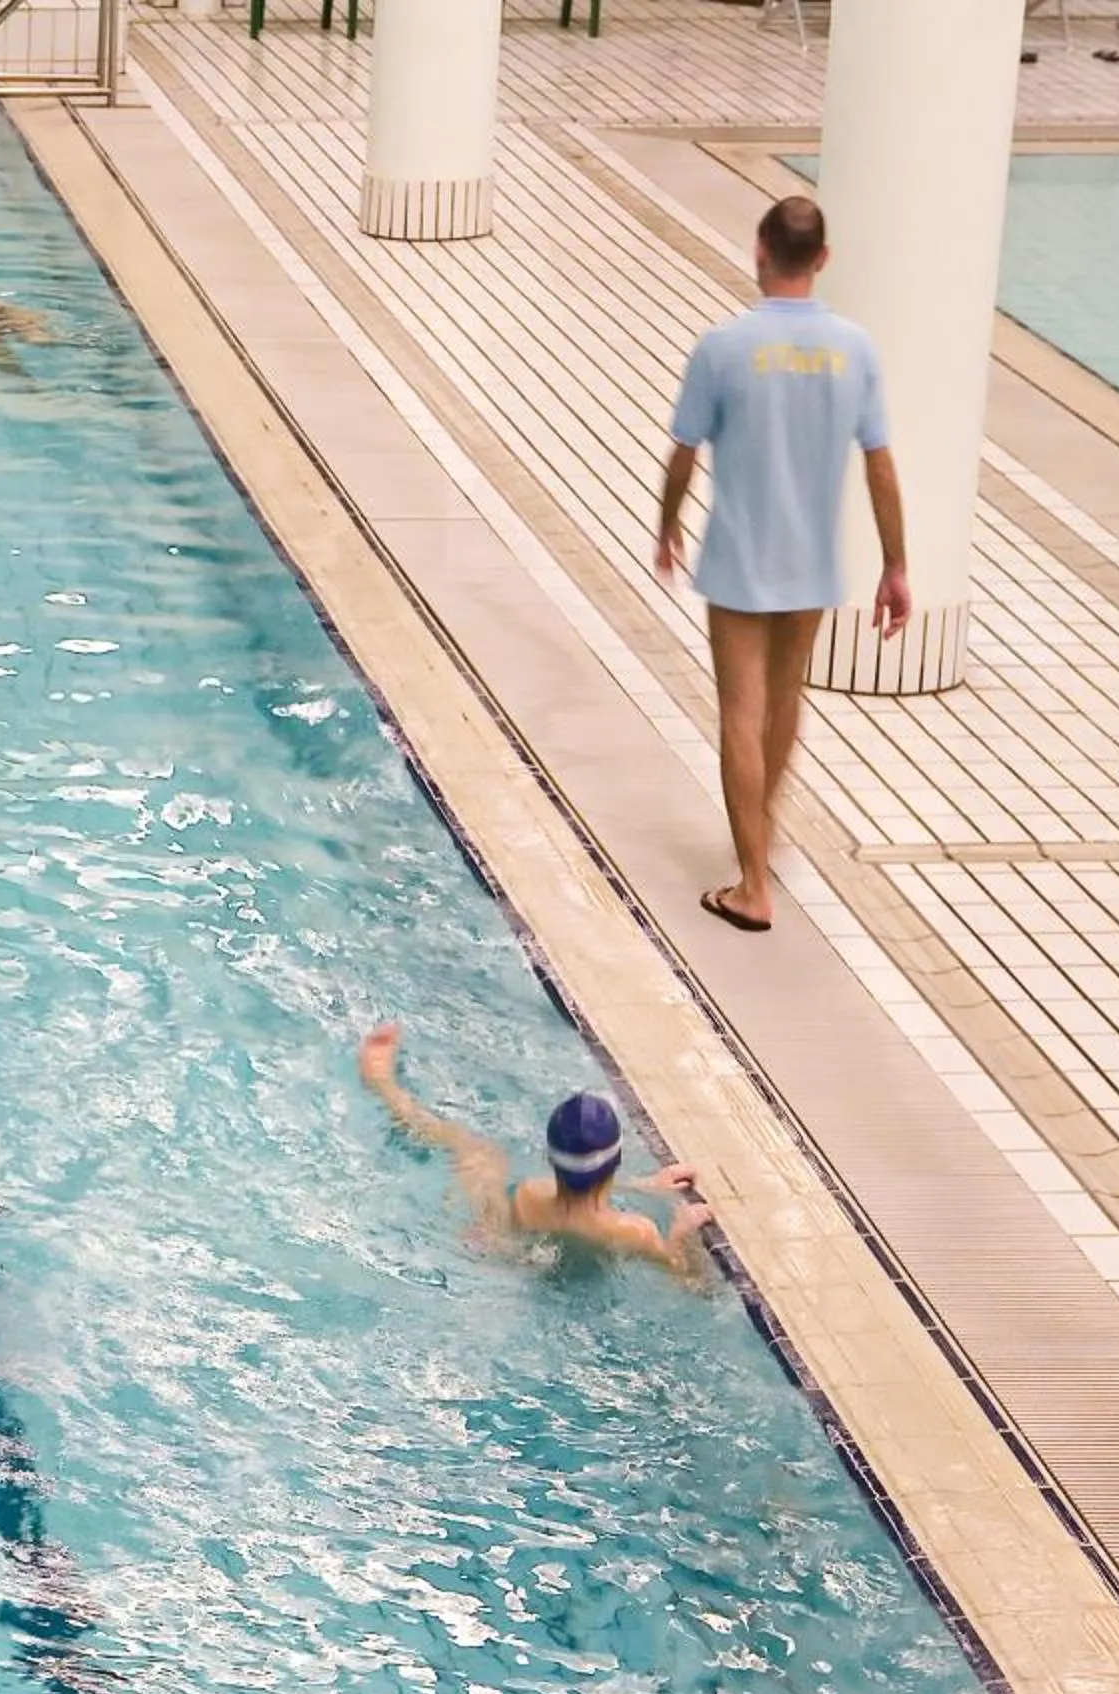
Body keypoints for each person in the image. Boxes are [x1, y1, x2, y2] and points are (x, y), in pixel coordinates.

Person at [654, 195, 910, 936]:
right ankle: (760, 829)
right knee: (785, 698)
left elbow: (684, 452)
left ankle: (753, 884)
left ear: (760, 250)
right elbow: (882, 467)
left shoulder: (723, 346)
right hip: (811, 561)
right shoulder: (856, 349)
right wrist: (896, 566)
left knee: (741, 710)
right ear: (823, 259)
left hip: (739, 556)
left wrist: (667, 528)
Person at [359, 1024, 715, 1283]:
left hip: (508, 1253)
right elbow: (691, 1284)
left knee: (477, 1152)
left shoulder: (531, 1193)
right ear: (616, 1161)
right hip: (575, 1286)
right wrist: (685, 1234)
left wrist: (646, 1186)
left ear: (551, 1159)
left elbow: (581, 1191)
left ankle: (385, 1087)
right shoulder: (634, 1232)